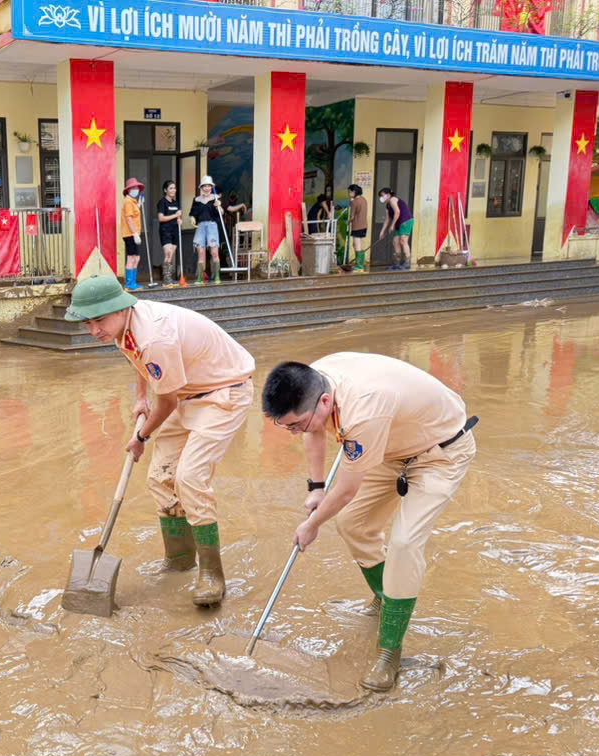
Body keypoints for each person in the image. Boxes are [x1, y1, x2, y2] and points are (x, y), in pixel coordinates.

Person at [260, 353, 478, 692]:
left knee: (405, 543)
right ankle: (385, 595)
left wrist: (312, 525)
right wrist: (316, 488)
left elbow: (347, 489)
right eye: (286, 426)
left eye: (296, 424)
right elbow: (312, 431)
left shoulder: (363, 410)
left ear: (325, 401)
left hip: (440, 453)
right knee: (353, 523)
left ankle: (390, 651)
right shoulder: (312, 379)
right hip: (390, 448)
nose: (293, 431)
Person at [66, 274, 255, 608]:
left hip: (223, 392)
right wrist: (141, 398)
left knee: (190, 478)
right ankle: (180, 560)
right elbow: (138, 359)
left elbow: (165, 401)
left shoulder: (155, 337)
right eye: (87, 323)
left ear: (120, 308)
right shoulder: (123, 327)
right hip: (184, 391)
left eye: (99, 320)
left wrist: (141, 436)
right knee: (160, 477)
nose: (94, 330)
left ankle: (212, 575)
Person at [189, 176, 223, 285]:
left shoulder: (216, 198)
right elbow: (193, 213)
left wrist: (219, 206)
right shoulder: (196, 200)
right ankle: (200, 277)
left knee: (214, 252)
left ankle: (217, 276)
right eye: (205, 186)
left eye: (209, 186)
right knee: (200, 252)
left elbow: (221, 213)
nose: (207, 188)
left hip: (212, 226)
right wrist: (192, 218)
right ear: (201, 187)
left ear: (212, 187)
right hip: (200, 226)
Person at [378, 187, 414, 271]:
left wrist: (392, 225)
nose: (381, 197)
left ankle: (407, 263)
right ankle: (396, 263)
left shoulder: (393, 199)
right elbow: (387, 219)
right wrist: (382, 232)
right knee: (395, 242)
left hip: (406, 220)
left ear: (388, 195)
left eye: (382, 195)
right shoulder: (387, 205)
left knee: (403, 241)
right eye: (380, 196)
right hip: (398, 222)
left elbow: (397, 212)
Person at [156, 180, 182, 287]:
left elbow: (178, 217)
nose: (173, 190)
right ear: (165, 190)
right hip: (165, 230)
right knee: (168, 253)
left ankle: (169, 278)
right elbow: (161, 218)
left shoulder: (176, 203)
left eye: (174, 188)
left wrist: (179, 220)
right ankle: (166, 279)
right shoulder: (162, 202)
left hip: (175, 230)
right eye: (171, 188)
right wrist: (175, 215)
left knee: (171, 255)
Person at [121, 177, 144, 291]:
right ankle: (129, 284)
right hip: (130, 234)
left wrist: (139, 204)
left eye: (137, 187)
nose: (136, 189)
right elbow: (129, 219)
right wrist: (134, 233)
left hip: (134, 233)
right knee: (131, 258)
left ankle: (133, 282)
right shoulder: (128, 201)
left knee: (136, 258)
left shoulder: (132, 202)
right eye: (133, 187)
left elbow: (134, 214)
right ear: (128, 190)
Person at [347, 184, 369, 273]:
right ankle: (361, 263)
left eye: (349, 192)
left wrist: (348, 222)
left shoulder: (354, 202)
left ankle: (359, 266)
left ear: (354, 192)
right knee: (356, 244)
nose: (349, 194)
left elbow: (352, 217)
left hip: (357, 226)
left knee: (357, 245)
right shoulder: (364, 199)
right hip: (364, 226)